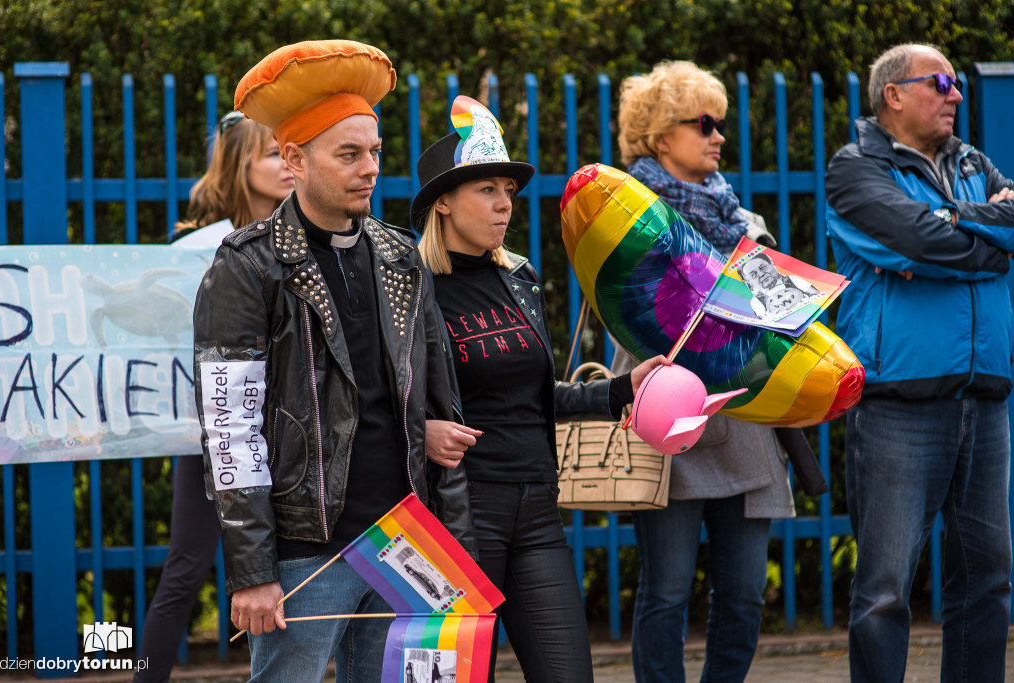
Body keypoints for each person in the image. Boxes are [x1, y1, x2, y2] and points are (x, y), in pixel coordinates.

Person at [192, 40, 474, 682]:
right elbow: (229, 430)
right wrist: (253, 571)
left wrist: (450, 542)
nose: (369, 168)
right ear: (294, 158)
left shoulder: (402, 258)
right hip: (303, 555)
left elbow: (438, 407)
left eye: (373, 152)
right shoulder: (247, 265)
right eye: (348, 154)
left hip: (406, 542)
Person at [411, 95, 669, 682]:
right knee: (455, 676)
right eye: (487, 191)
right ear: (443, 202)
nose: (505, 204)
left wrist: (622, 388)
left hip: (536, 508)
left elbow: (533, 396)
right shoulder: (410, 288)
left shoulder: (519, 277)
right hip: (458, 513)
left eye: (508, 190)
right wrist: (418, 430)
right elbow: (375, 397)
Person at [616, 60, 810, 683]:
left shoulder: (741, 221)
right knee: (667, 592)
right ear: (659, 137)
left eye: (720, 124)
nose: (718, 136)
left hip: (746, 420)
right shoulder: (626, 219)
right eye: (703, 124)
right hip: (669, 419)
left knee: (746, 596)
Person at [826, 43, 1014, 683]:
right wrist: (986, 242)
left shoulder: (972, 164)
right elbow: (912, 239)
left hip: (985, 401)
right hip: (897, 406)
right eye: (939, 82)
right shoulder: (854, 171)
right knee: (884, 592)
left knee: (987, 581)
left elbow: (945, 238)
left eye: (957, 83)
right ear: (893, 95)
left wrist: (952, 221)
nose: (955, 95)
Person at [134, 111, 293, 683]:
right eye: (273, 154)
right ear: (239, 166)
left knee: (291, 568)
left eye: (291, 151)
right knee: (187, 567)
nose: (287, 164)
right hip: (213, 433)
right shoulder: (197, 251)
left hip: (288, 432)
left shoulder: (306, 241)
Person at [738, 253, 818, 321]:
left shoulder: (792, 279)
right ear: (748, 283)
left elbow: (817, 295)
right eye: (753, 275)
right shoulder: (756, 301)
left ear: (772, 264)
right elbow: (765, 322)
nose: (761, 274)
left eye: (763, 268)